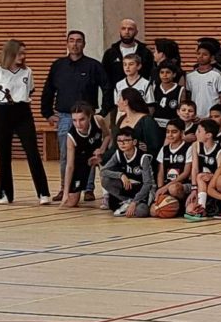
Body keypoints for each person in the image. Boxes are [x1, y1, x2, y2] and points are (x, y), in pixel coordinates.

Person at [41, 30, 111, 201]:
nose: (75, 44)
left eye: (79, 41)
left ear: (84, 44)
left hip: (89, 117)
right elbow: (48, 89)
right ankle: (65, 188)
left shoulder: (93, 66)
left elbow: (107, 87)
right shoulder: (58, 66)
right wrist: (47, 113)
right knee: (66, 155)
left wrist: (103, 112)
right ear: (67, 43)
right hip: (65, 116)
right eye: (71, 40)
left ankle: (88, 189)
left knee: (90, 153)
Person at [59, 103, 106, 209]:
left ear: (89, 117)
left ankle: (107, 195)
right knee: (71, 202)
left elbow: (107, 136)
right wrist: (65, 192)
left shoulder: (98, 120)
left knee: (106, 163)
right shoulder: (71, 137)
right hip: (82, 159)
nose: (78, 124)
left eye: (81, 119)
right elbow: (70, 166)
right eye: (74, 120)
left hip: (99, 154)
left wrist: (102, 149)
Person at [101, 130, 153, 217]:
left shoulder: (143, 157)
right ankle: (126, 201)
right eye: (119, 141)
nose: (122, 143)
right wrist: (121, 175)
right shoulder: (118, 154)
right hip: (128, 187)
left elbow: (148, 184)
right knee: (106, 180)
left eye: (126, 140)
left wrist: (135, 201)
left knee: (141, 212)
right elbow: (103, 171)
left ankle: (131, 205)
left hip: (141, 190)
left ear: (134, 142)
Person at [102, 18, 154, 87]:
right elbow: (104, 77)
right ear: (119, 31)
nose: (126, 32)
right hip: (116, 91)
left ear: (136, 32)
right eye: (123, 29)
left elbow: (151, 74)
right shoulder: (110, 53)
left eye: (130, 29)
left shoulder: (145, 53)